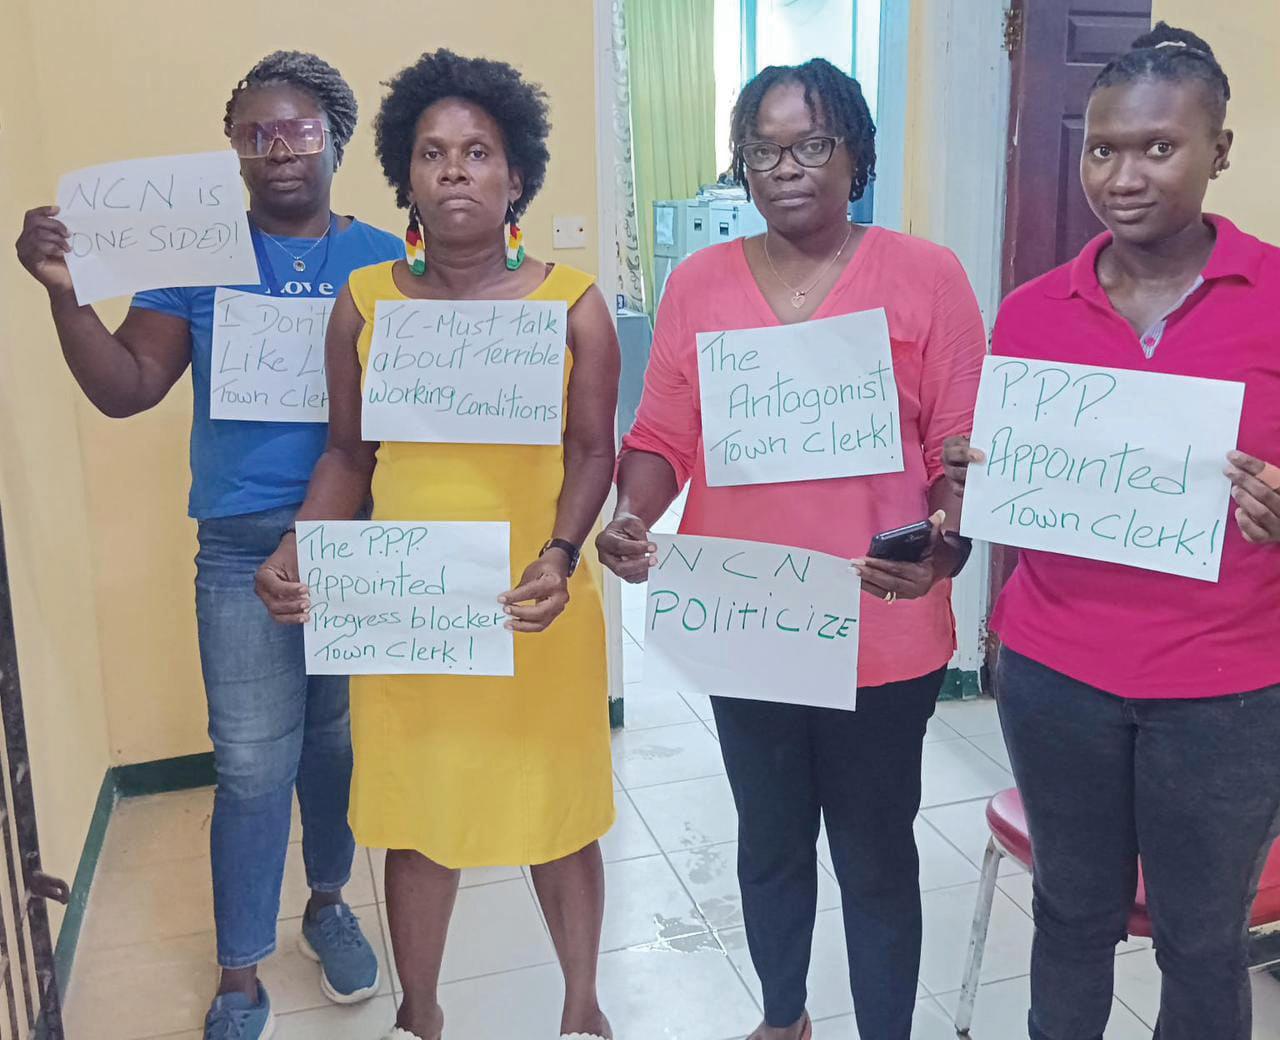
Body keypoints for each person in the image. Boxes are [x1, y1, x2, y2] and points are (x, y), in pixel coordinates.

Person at [14, 50, 401, 1040]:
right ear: (234, 149)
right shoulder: (194, 260)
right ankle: (239, 971)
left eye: (298, 129)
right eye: (254, 133)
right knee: (251, 762)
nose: (279, 148)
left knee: (334, 741)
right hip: (238, 547)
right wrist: (65, 294)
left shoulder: (384, 260)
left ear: (336, 138)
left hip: (358, 540)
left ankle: (326, 903)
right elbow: (128, 387)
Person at [597, 58, 986, 1040]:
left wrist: (941, 549)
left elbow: (959, 449)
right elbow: (662, 438)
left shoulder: (926, 276)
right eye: (762, 150)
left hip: (880, 624)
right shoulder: (698, 284)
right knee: (768, 841)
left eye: (811, 143)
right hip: (748, 618)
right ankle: (782, 1019)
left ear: (855, 154)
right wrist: (633, 512)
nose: (785, 167)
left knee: (874, 854)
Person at [254, 49, 620, 1040]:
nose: (454, 168)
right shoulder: (365, 301)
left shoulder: (572, 303)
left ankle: (581, 1010)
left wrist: (560, 552)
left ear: (516, 174)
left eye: (477, 151)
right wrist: (300, 545)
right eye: (431, 152)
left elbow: (593, 450)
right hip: (412, 606)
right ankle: (420, 1016)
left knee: (556, 813)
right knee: (416, 817)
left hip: (534, 599)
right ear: (404, 176)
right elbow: (348, 455)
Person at [943, 23, 1280, 1040]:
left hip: (1225, 690)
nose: (1123, 177)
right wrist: (975, 481)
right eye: (1102, 150)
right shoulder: (1033, 313)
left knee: (1201, 940)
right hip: (1056, 675)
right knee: (1070, 916)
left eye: (1157, 147)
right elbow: (1011, 490)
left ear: (1219, 150)